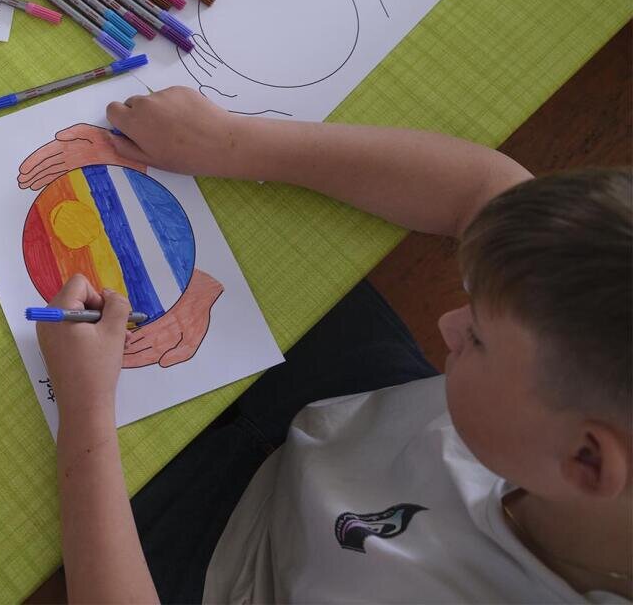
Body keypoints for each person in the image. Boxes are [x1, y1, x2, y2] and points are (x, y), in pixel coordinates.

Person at [36, 85, 632, 604]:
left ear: (587, 460)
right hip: (361, 415)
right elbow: (489, 188)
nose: (449, 325)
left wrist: (86, 409)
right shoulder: (571, 375)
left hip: (230, 562)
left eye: (476, 336)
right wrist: (227, 141)